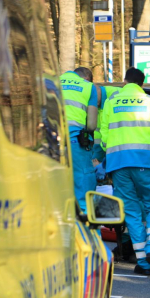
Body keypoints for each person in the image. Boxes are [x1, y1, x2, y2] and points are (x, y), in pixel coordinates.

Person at [100, 68, 150, 275]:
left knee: (131, 211)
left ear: (124, 81)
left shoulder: (111, 102)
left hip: (118, 163)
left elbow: (103, 137)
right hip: (145, 161)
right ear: (142, 84)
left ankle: (143, 264)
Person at [61, 67, 100, 211]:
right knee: (83, 182)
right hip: (75, 142)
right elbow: (91, 124)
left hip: (51, 142)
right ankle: (83, 224)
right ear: (87, 78)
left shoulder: (51, 83)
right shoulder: (88, 87)